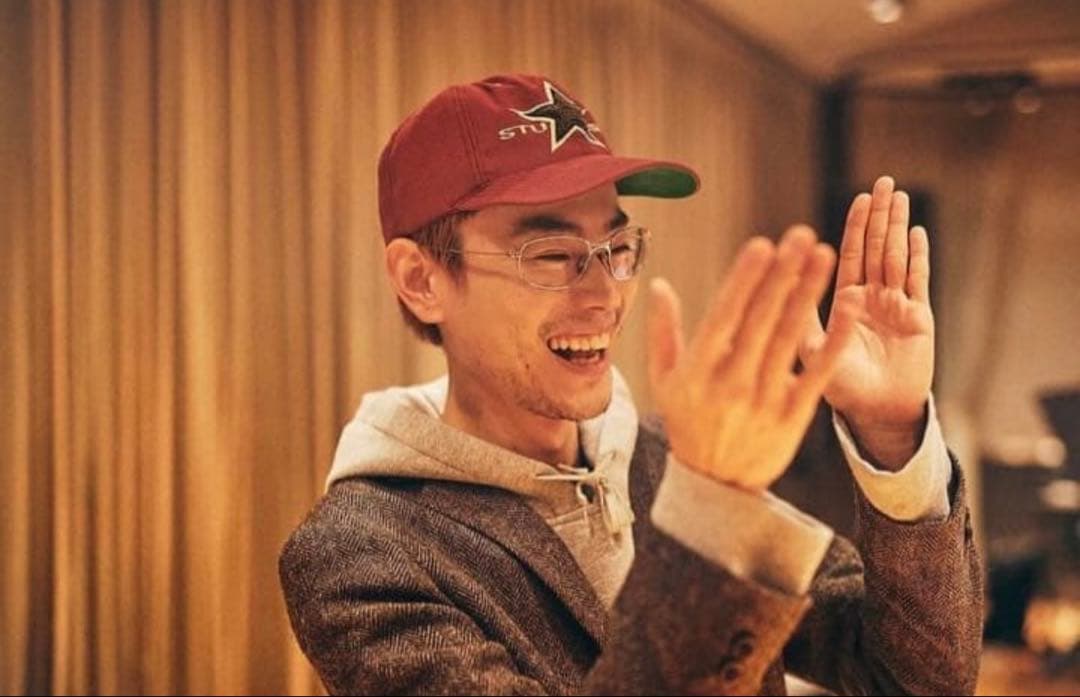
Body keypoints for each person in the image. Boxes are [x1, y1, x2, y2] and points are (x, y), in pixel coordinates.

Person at [279, 74, 982, 695]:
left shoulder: (661, 455)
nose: (604, 295)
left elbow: (918, 678)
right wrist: (711, 514)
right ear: (421, 280)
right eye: (551, 254)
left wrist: (892, 432)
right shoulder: (363, 554)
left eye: (617, 248)